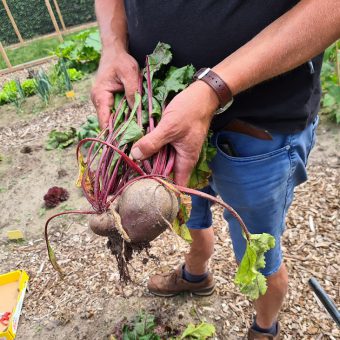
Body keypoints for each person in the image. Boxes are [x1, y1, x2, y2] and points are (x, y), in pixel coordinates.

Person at [91, 1, 340, 339]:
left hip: (257, 125)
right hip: (165, 113)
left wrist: (214, 88)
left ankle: (264, 327)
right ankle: (196, 275)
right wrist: (113, 46)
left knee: (259, 252)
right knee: (187, 208)